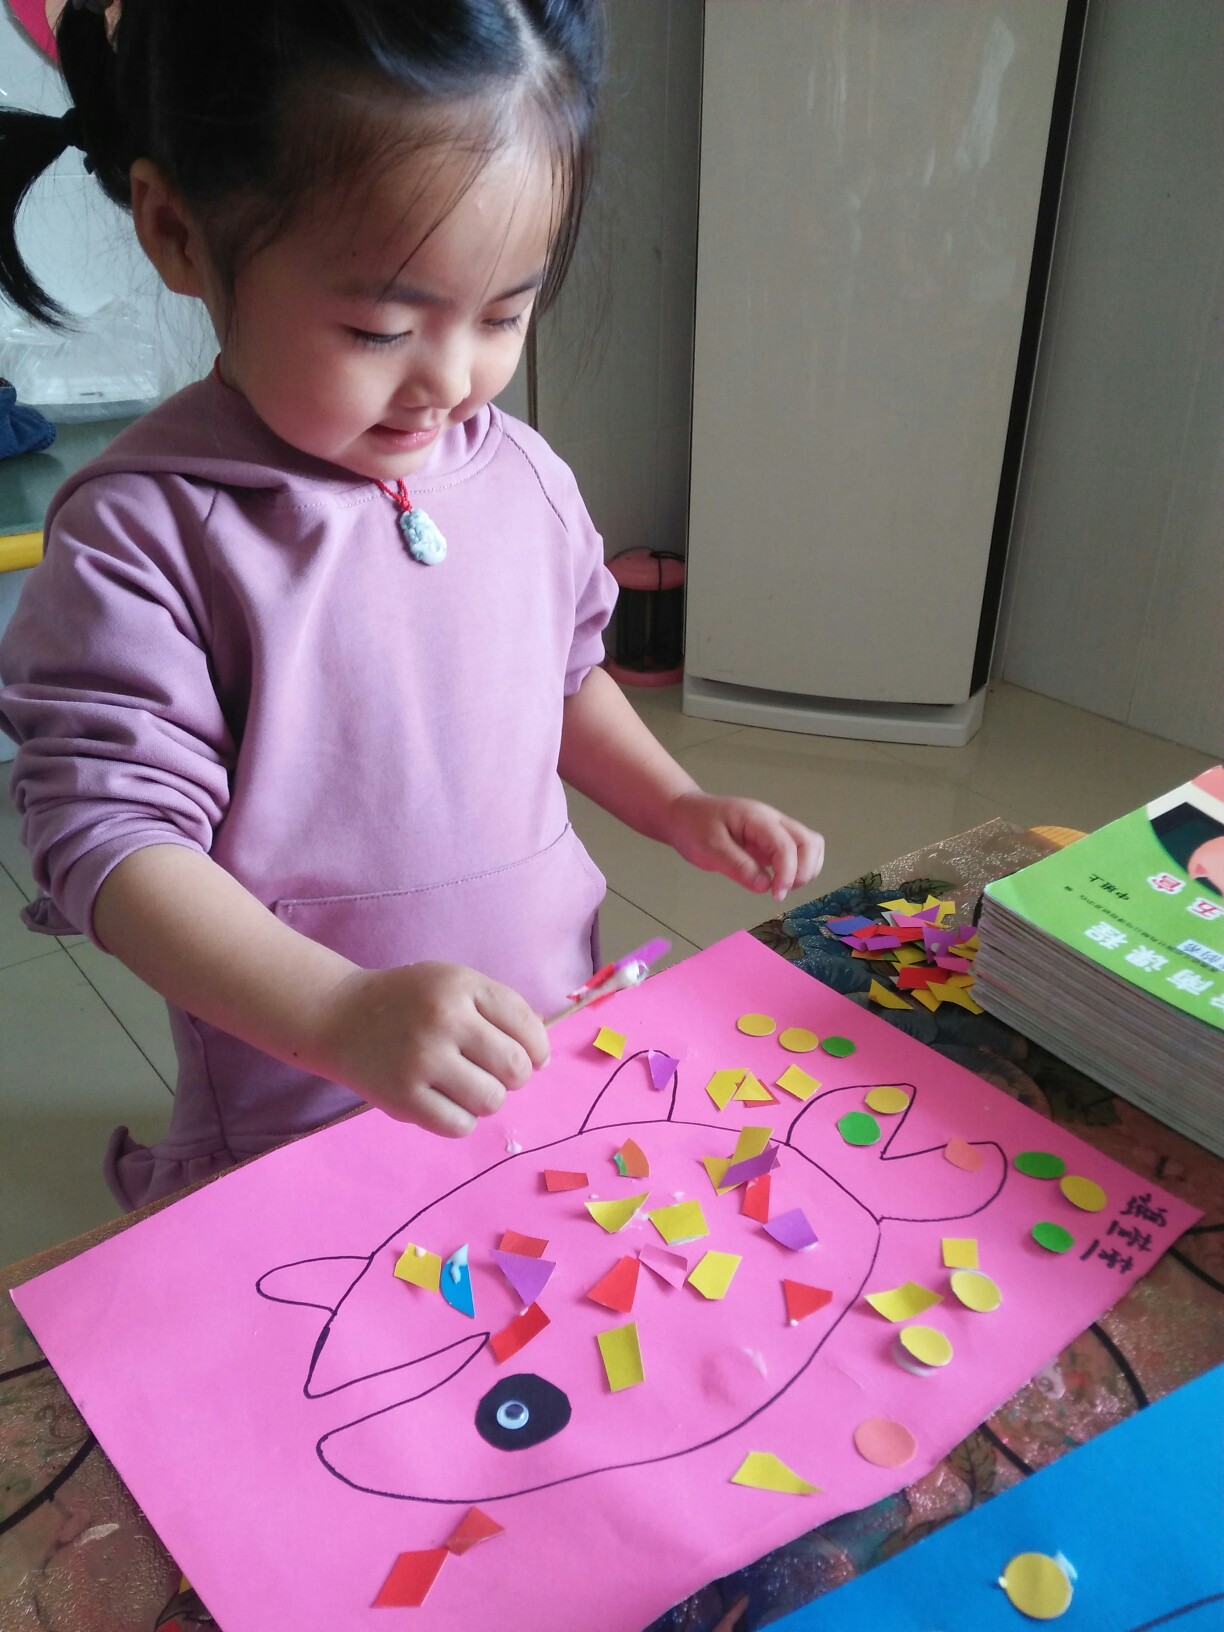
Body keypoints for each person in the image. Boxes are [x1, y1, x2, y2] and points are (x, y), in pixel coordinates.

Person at [0, 0, 824, 1212]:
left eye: (503, 314)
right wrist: (340, 1013)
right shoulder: (146, 535)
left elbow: (562, 680)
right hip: (301, 1099)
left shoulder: (525, 476)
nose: (450, 380)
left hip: (537, 1036)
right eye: (380, 327)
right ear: (177, 232)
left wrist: (674, 801)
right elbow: (116, 849)